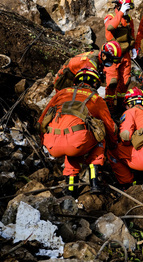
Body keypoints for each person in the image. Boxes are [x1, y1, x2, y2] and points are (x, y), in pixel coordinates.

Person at [38, 68, 117, 197]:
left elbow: (41, 121)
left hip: (52, 143)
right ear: (95, 84)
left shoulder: (61, 93)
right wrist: (113, 145)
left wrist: (43, 141)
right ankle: (95, 181)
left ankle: (71, 186)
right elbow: (110, 127)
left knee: (72, 146)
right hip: (76, 142)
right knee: (99, 133)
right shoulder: (96, 98)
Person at [104, 0, 136, 112]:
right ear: (119, 6)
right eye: (126, 8)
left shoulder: (128, 19)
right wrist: (120, 13)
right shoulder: (110, 16)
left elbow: (131, 33)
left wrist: (133, 47)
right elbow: (110, 27)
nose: (127, 11)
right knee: (112, 82)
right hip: (112, 55)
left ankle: (121, 107)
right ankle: (109, 107)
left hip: (125, 54)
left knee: (125, 81)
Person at [52, 41, 122, 91]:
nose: (112, 63)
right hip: (64, 82)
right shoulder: (89, 64)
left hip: (71, 76)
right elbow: (87, 87)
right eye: (111, 60)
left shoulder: (97, 55)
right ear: (103, 55)